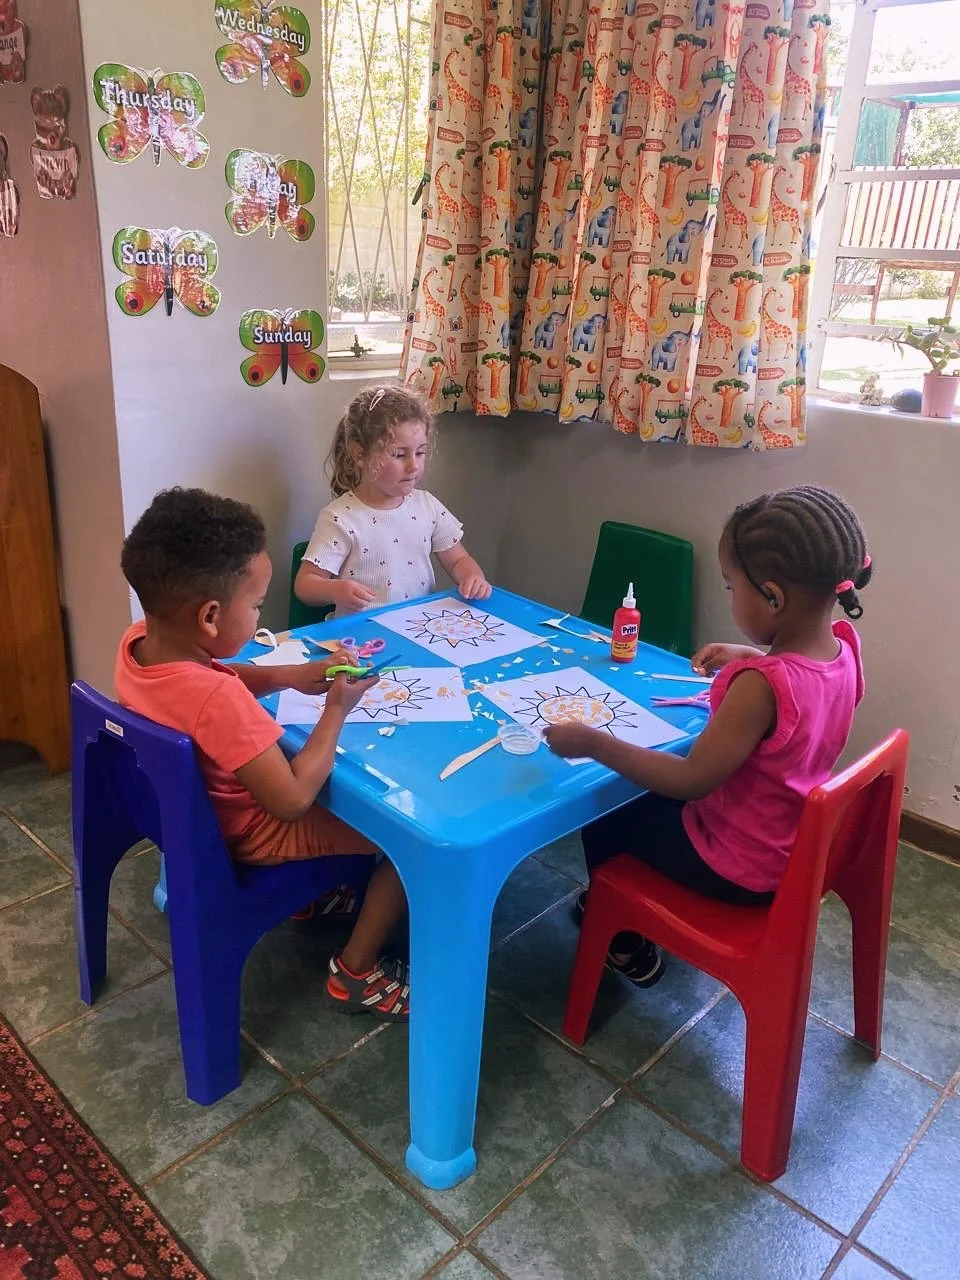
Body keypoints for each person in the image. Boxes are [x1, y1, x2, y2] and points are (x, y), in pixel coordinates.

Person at [544, 485, 870, 989]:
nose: (730, 596)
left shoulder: (760, 689)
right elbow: (804, 687)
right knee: (641, 805)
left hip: (737, 866)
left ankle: (624, 939)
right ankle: (618, 902)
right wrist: (754, 654)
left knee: (609, 814)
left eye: (730, 587)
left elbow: (690, 780)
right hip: (787, 849)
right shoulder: (843, 651)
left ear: (774, 597)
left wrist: (595, 743)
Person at [117, 487, 410, 1019]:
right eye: (254, 605)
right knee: (403, 843)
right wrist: (337, 710)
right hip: (253, 834)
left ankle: (312, 898)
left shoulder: (139, 645)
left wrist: (290, 676)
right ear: (209, 617)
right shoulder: (215, 700)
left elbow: (211, 675)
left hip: (195, 818)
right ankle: (356, 973)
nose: (259, 615)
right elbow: (294, 798)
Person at [294, 385, 491, 617]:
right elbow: (305, 584)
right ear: (359, 455)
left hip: (417, 628)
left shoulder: (427, 506)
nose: (414, 466)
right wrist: (336, 590)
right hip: (363, 637)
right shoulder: (340, 518)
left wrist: (472, 577)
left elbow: (459, 560)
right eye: (398, 454)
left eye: (420, 453)